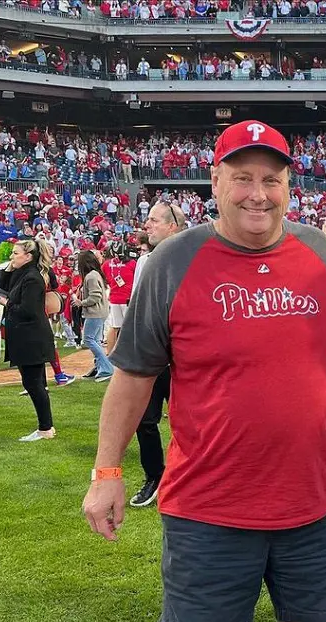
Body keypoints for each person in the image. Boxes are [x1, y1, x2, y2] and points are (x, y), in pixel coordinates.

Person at [82, 120, 326, 622]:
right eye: (242, 178)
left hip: (315, 498)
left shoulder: (319, 249)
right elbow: (132, 376)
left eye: (271, 180)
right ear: (214, 181)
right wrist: (107, 470)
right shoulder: (172, 262)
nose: (258, 193)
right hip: (211, 503)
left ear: (288, 185)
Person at [127, 200, 185, 508]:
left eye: (153, 220)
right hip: (152, 356)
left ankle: (190, 476)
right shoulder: (144, 262)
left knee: (192, 421)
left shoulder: (192, 258)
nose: (146, 225)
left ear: (173, 225)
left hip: (185, 357)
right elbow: (138, 309)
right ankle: (155, 476)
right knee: (144, 420)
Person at [0, 238, 57, 441]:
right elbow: (1, 287)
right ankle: (46, 426)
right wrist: (9, 268)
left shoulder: (32, 277)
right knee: (34, 383)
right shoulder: (22, 274)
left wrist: (8, 302)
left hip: (31, 337)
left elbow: (28, 310)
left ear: (28, 256)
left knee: (34, 383)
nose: (12, 256)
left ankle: (45, 428)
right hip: (26, 337)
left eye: (16, 253)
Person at [72, 250, 114, 383]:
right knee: (96, 341)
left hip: (95, 312)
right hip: (100, 312)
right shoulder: (95, 274)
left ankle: (107, 368)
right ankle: (99, 367)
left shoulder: (91, 276)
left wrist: (81, 302)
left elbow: (95, 296)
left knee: (88, 339)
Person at [100, 239, 136, 357]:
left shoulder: (106, 264)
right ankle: (130, 354)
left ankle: (111, 354)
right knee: (130, 328)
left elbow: (103, 279)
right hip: (128, 299)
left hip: (114, 298)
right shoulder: (131, 263)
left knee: (115, 327)